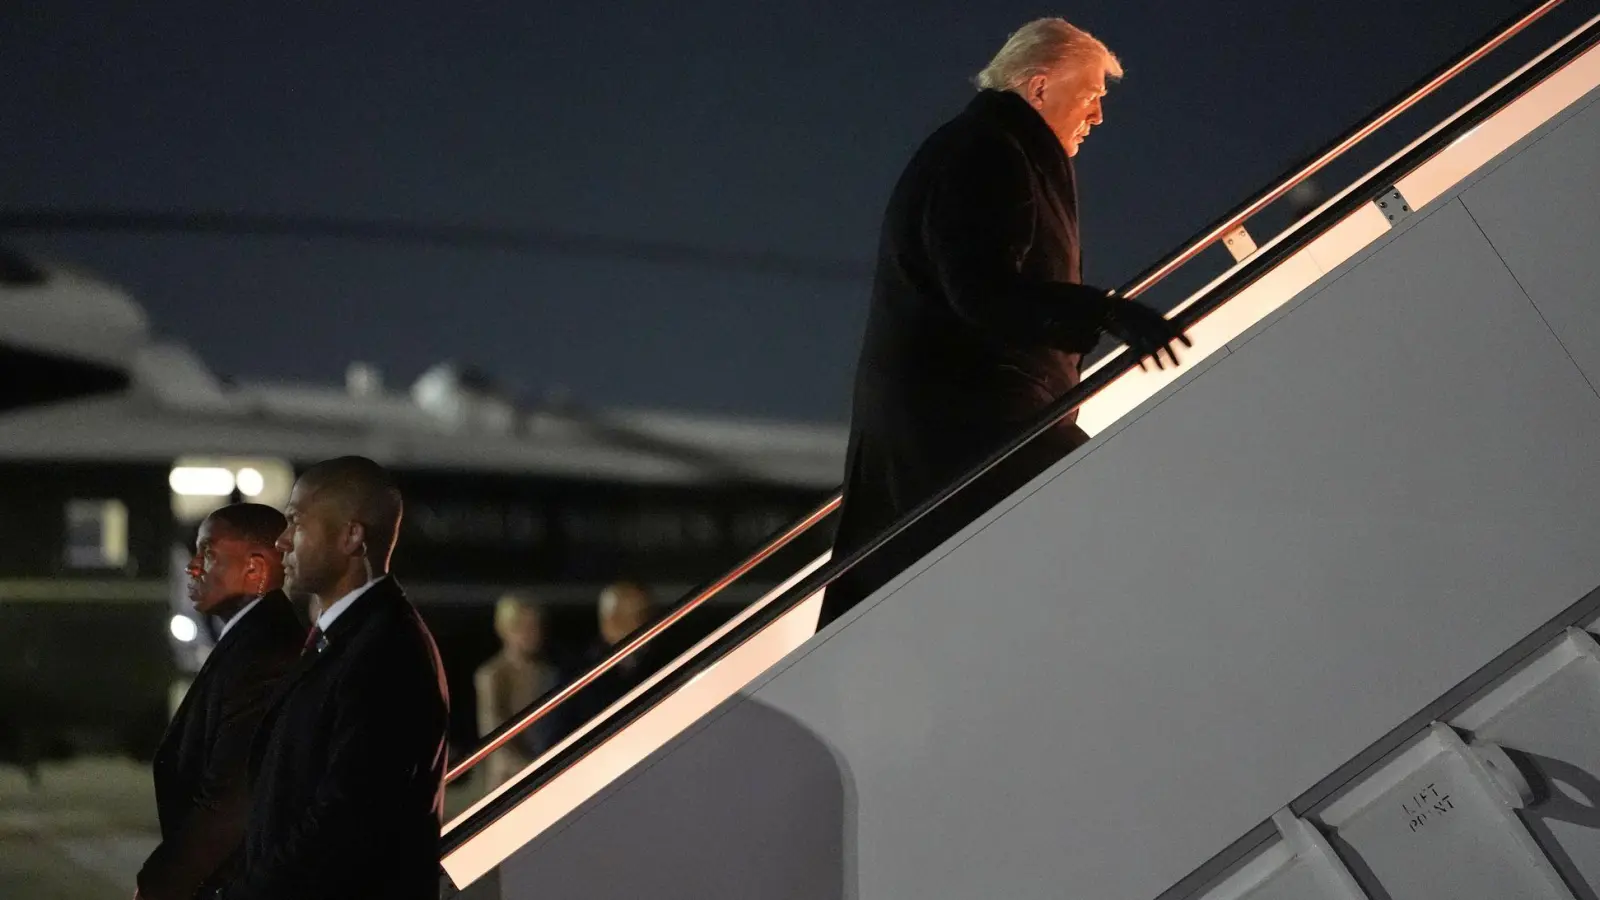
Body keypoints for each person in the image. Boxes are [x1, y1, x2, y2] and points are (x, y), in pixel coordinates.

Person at [819, 18, 1191, 628]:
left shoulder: (990, 146)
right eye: (1092, 94)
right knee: (1108, 531)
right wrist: (1105, 311)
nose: (1097, 116)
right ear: (1040, 86)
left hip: (960, 421)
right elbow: (984, 291)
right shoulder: (987, 152)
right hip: (971, 425)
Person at [222, 456, 449, 900]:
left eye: (295, 522)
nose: (281, 542)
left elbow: (342, 824)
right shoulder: (354, 637)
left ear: (352, 537)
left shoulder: (386, 653)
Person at [135, 503, 303, 900]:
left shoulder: (263, 655)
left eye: (208, 554)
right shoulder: (250, 641)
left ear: (256, 570)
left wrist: (162, 883)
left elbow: (230, 800)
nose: (192, 567)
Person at [474, 592, 560, 787]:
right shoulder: (493, 675)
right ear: (505, 629)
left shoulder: (550, 673)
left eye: (536, 626)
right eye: (523, 627)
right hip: (509, 782)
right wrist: (532, 771)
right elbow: (495, 739)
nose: (532, 633)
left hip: (546, 772)